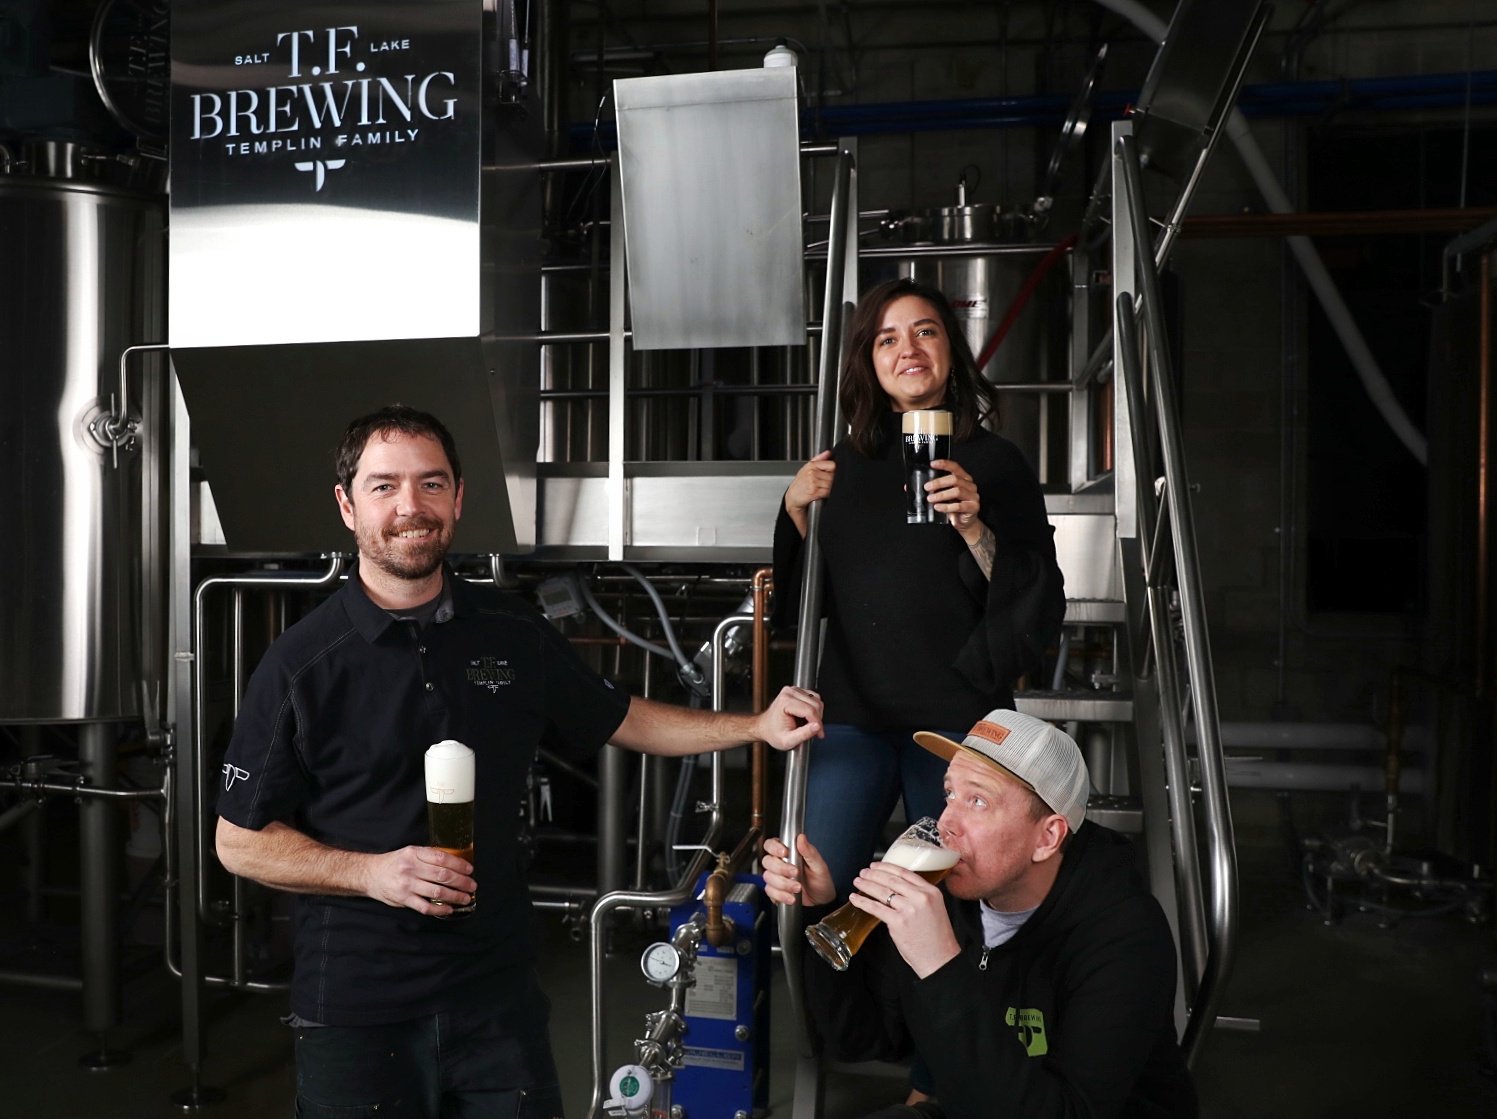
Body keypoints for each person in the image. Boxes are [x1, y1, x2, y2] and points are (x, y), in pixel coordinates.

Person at [214, 405, 825, 1119]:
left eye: (430, 483)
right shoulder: (300, 664)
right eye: (384, 486)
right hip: (357, 1006)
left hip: (495, 995)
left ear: (459, 498)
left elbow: (619, 715)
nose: (410, 506)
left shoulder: (510, 631)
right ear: (348, 505)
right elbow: (238, 841)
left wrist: (751, 724)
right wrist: (372, 871)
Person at [773, 276, 1065, 932]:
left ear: (949, 352)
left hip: (956, 715)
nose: (907, 348)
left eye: (924, 330)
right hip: (850, 713)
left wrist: (972, 525)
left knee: (957, 899)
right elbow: (796, 607)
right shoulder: (836, 468)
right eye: (887, 337)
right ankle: (847, 1035)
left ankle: (943, 1028)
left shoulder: (995, 463)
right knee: (818, 889)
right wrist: (792, 509)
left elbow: (1036, 600)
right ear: (869, 362)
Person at [762, 709, 1196, 1119]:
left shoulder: (1126, 936)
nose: (947, 821)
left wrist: (940, 965)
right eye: (950, 792)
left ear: (1047, 837)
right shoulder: (950, 899)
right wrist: (820, 909)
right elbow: (859, 1038)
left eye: (978, 802)